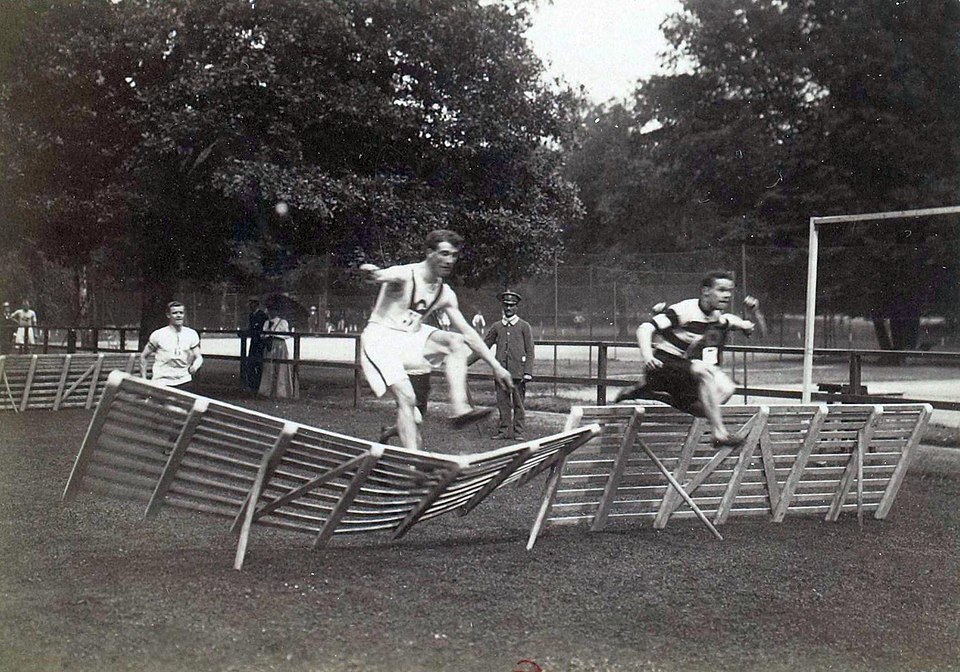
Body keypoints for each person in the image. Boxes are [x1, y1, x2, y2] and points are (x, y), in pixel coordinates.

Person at [358, 229, 514, 451]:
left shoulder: (444, 292)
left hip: (408, 339)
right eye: (444, 253)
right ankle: (414, 466)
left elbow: (469, 332)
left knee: (456, 342)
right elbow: (380, 276)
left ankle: (460, 410)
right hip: (380, 339)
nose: (449, 260)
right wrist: (370, 272)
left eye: (453, 256)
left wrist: (496, 367)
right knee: (408, 399)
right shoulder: (405, 275)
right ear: (429, 253)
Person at [614, 271, 765, 446]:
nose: (727, 295)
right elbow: (645, 328)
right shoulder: (685, 310)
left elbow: (759, 333)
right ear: (706, 291)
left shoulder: (720, 318)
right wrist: (647, 357)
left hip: (684, 375)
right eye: (721, 290)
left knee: (725, 390)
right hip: (662, 366)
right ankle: (719, 433)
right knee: (705, 372)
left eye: (730, 291)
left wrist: (756, 312)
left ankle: (649, 392)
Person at [476, 290, 535, 440]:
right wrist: (464, 363)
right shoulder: (497, 326)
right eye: (506, 306)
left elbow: (530, 351)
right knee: (503, 403)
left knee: (518, 403)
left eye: (512, 306)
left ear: (516, 307)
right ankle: (503, 431)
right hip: (501, 372)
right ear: (502, 307)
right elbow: (483, 348)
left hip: (518, 372)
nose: (508, 308)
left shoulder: (524, 326)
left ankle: (518, 432)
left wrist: (527, 371)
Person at [140, 301, 203, 390]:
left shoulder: (191, 334)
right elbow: (143, 356)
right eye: (174, 313)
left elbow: (199, 357)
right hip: (162, 382)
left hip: (184, 380)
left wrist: (195, 366)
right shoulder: (158, 334)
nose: (178, 315)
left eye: (181, 313)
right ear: (168, 315)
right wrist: (144, 380)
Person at [258, 298, 299, 399]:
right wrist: (268, 334)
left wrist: (275, 334)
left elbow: (286, 335)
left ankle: (281, 391)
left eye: (273, 310)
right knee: (269, 367)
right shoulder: (267, 323)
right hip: (270, 345)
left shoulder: (283, 322)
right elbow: (262, 335)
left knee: (281, 367)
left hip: (280, 345)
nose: (271, 312)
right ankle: (267, 390)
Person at [242, 297, 269, 392]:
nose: (250, 306)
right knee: (251, 362)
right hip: (254, 342)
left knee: (258, 363)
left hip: (260, 342)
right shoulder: (252, 315)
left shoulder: (262, 315)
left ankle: (257, 384)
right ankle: (252, 383)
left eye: (252, 304)